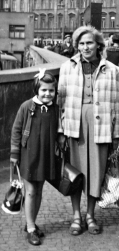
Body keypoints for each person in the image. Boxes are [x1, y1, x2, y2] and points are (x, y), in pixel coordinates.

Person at [57, 25, 119, 236]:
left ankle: (91, 215)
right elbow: (61, 101)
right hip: (74, 124)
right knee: (75, 173)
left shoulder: (113, 69)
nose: (85, 47)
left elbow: (115, 104)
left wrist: (117, 135)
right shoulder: (67, 67)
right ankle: (76, 215)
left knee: (96, 172)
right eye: (81, 43)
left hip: (101, 125)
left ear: (98, 45)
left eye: (89, 43)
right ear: (77, 46)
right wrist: (60, 131)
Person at [10, 70, 58, 246]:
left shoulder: (55, 108)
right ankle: (30, 228)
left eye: (51, 90)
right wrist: (14, 154)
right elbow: (16, 130)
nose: (47, 94)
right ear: (37, 89)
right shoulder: (27, 106)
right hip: (29, 155)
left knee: (38, 191)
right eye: (43, 90)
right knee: (30, 191)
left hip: (46, 156)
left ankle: (32, 223)